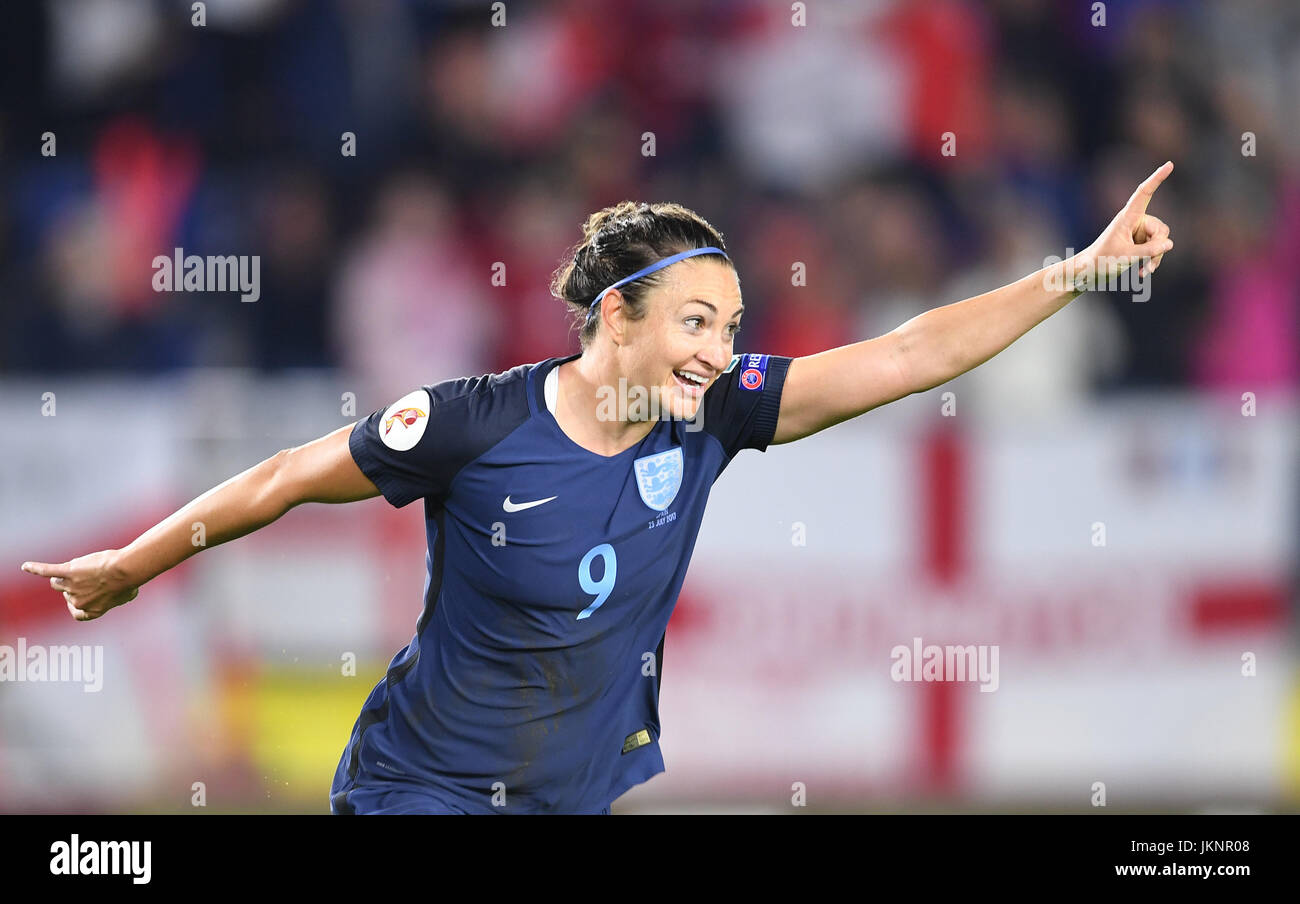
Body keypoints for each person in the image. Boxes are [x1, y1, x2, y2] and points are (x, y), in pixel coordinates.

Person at [19, 167, 1175, 814]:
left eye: (729, 326)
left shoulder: (718, 409)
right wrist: (134, 565)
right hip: (419, 789)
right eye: (692, 324)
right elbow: (279, 479)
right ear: (613, 318)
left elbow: (913, 352)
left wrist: (1076, 272)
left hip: (566, 795)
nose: (718, 351)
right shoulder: (471, 422)